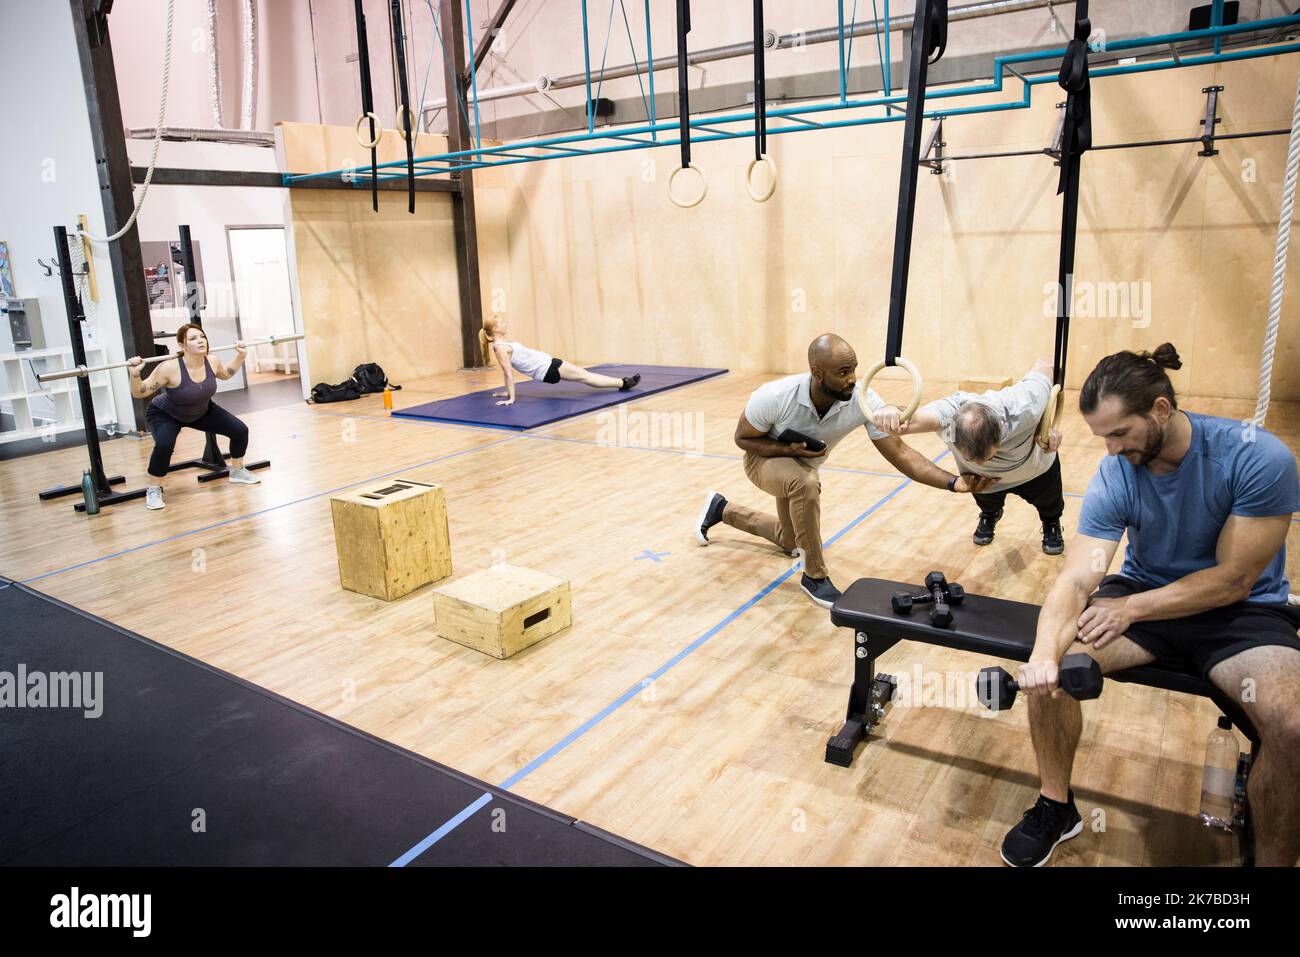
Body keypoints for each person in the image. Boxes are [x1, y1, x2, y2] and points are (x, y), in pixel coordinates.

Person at [998, 343, 1300, 867]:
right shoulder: (1117, 472)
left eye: (1120, 433)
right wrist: (1044, 655)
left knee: (1293, 725)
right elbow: (1075, 580)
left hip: (1241, 614)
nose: (1111, 450)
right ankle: (1056, 805)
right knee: (1057, 667)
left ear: (1160, 410)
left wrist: (1132, 610)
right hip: (1141, 598)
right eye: (1102, 437)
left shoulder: (1257, 457)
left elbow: (1233, 580)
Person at [697, 333, 1003, 608]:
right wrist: (788, 450)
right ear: (817, 373)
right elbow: (743, 439)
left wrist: (952, 482)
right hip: (762, 461)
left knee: (792, 541)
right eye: (843, 372)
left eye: (854, 369)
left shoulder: (863, 400)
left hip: (798, 467)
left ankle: (721, 509)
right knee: (805, 482)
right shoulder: (775, 396)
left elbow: (901, 453)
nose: (853, 378)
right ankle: (815, 577)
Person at [888, 357, 1065, 554]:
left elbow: (1048, 363)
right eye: (972, 459)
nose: (981, 462)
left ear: (999, 431)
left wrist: (1046, 425)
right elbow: (905, 420)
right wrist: (889, 411)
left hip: (1035, 470)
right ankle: (990, 515)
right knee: (986, 501)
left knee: (1050, 504)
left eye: (988, 457)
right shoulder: (948, 418)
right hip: (985, 481)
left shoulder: (1026, 404)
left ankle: (1051, 523)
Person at [127, 323, 261, 510]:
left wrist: (241, 356)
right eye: (193, 338)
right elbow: (139, 392)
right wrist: (135, 375)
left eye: (202, 337)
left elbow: (226, 374)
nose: (200, 341)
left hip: (201, 411)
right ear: (182, 346)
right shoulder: (169, 368)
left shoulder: (212, 361)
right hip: (166, 414)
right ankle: (154, 489)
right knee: (165, 445)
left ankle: (237, 471)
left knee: (239, 430)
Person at [480, 315, 640, 405]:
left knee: (585, 375)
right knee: (585, 376)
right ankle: (624, 383)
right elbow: (508, 373)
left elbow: (508, 370)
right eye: (502, 323)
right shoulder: (500, 348)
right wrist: (511, 398)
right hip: (547, 369)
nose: (505, 323)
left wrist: (507, 391)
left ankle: (622, 383)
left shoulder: (504, 344)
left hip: (548, 364)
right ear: (495, 329)